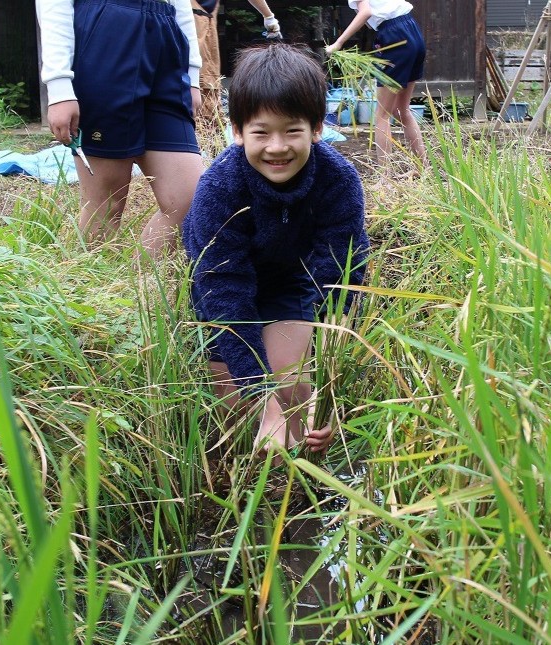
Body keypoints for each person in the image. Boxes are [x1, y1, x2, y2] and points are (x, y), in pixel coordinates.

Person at [182, 43, 370, 457]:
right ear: (237, 131)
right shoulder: (220, 187)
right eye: (261, 132)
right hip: (221, 289)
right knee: (239, 415)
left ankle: (301, 468)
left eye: (292, 131)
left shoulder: (338, 180)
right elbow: (223, 289)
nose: (277, 147)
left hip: (288, 279)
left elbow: (340, 276)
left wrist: (326, 390)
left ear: (317, 128)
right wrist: (262, 401)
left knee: (296, 398)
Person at [36, 0, 205, 257]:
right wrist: (58, 85)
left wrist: (192, 74)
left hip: (166, 40)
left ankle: (140, 279)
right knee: (106, 204)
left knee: (191, 199)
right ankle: (95, 280)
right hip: (105, 33)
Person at [325, 0, 428, 169]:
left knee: (382, 114)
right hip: (411, 29)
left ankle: (385, 177)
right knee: (401, 110)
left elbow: (365, 13)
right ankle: (423, 168)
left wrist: (338, 43)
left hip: (395, 36)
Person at [191, 0, 283, 128]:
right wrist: (269, 17)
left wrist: (269, 17)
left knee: (208, 93)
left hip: (205, 23)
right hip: (196, 26)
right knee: (203, 96)